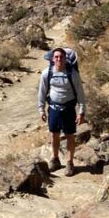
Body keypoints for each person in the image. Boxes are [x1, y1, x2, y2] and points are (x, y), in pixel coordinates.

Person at [38, 47, 86, 176]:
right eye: (56, 57)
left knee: (70, 135)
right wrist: (41, 109)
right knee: (54, 134)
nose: (59, 59)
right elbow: (42, 92)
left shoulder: (73, 74)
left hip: (69, 109)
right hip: (54, 108)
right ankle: (55, 159)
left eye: (61, 57)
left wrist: (81, 112)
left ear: (65, 59)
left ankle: (70, 163)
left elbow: (81, 94)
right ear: (52, 59)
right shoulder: (46, 73)